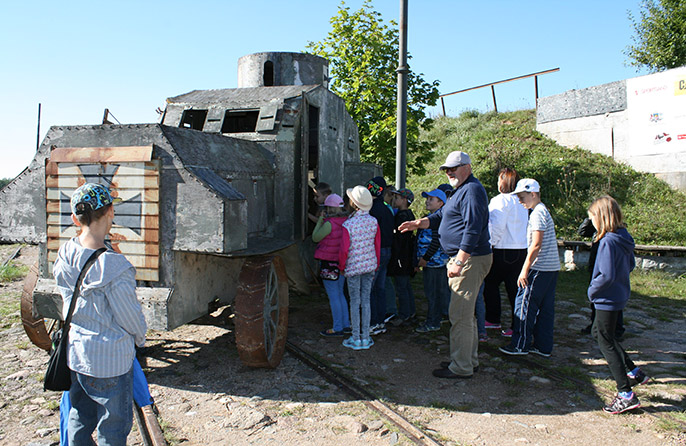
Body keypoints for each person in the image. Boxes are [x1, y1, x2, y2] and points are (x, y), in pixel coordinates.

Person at [53, 183, 147, 446]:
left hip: (76, 355)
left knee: (79, 418)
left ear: (74, 219)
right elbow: (129, 318)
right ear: (110, 213)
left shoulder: (66, 252)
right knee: (113, 428)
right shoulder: (114, 267)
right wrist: (141, 338)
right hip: (110, 363)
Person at [400, 151, 492, 379]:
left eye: (454, 168)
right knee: (466, 315)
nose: (449, 172)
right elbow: (441, 215)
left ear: (467, 168)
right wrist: (419, 223)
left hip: (469, 259)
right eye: (446, 169)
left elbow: (473, 228)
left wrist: (459, 260)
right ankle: (468, 361)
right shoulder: (461, 190)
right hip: (468, 259)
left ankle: (461, 368)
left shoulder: (471, 190)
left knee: (459, 315)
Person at [586, 196, 649, 414]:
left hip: (606, 298)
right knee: (602, 333)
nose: (591, 221)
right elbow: (630, 265)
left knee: (605, 341)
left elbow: (606, 274)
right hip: (618, 295)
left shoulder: (607, 241)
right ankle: (633, 370)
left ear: (601, 218)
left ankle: (625, 393)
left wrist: (592, 290)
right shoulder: (623, 237)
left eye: (592, 217)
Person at [499, 179, 559, 357]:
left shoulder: (537, 214)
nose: (520, 201)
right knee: (545, 309)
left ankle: (520, 344)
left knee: (524, 305)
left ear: (533, 194)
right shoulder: (542, 211)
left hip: (539, 268)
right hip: (551, 268)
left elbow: (536, 244)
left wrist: (524, 269)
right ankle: (543, 346)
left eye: (522, 197)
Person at [483, 168, 528, 338]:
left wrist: (490, 244)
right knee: (514, 289)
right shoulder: (521, 201)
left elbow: (496, 226)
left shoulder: (500, 201)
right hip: (520, 248)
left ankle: (493, 318)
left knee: (491, 284)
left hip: (502, 249)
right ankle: (517, 325)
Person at [339, 186, 380, 350]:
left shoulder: (348, 225)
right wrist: (376, 264)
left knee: (354, 302)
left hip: (353, 268)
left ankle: (355, 338)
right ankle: (365, 336)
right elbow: (377, 245)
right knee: (366, 301)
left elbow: (344, 250)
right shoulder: (374, 222)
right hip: (370, 266)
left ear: (353, 203)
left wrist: (342, 266)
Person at [578, 217, 625, 339]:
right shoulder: (596, 228)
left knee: (611, 299)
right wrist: (589, 219)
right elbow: (582, 232)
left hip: (608, 268)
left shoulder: (613, 232)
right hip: (595, 266)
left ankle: (618, 329)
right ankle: (595, 324)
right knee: (596, 301)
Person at [313, 193, 351, 337]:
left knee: (333, 295)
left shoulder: (329, 223)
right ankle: (346, 324)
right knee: (341, 293)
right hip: (342, 262)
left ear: (328, 208)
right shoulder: (346, 221)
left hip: (329, 263)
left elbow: (316, 237)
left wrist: (320, 219)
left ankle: (337, 327)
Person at [415, 188, 450, 333]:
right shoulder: (430, 217)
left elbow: (436, 241)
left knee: (433, 293)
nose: (427, 201)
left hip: (434, 263)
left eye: (431, 199)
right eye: (427, 198)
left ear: (441, 203)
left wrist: (425, 258)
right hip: (432, 262)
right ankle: (441, 315)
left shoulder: (437, 219)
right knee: (437, 292)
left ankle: (433, 322)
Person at [366, 176, 394, 335]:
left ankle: (372, 322)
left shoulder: (372, 210)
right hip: (387, 251)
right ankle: (380, 321)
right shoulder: (386, 208)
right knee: (380, 288)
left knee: (370, 289)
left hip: (375, 252)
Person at [388, 188, 417, 326]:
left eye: (397, 197)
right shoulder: (407, 214)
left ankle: (404, 314)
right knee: (406, 286)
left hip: (401, 257)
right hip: (405, 256)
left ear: (404, 200)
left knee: (401, 286)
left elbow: (399, 241)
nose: (395, 200)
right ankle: (411, 311)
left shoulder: (402, 217)